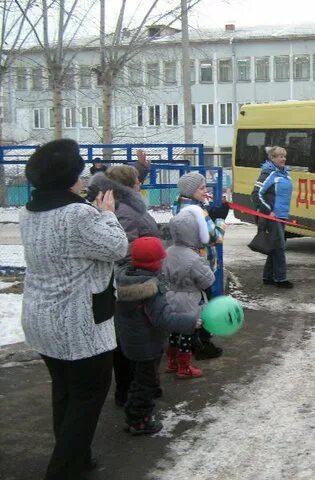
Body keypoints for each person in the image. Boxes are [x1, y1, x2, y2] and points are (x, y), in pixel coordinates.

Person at [20, 139, 128, 479]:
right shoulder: (78, 214)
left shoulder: (29, 211)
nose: (83, 182)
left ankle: (76, 457)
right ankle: (63, 469)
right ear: (69, 179)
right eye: (79, 176)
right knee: (87, 397)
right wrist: (108, 214)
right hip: (78, 323)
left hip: (42, 318)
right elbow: (118, 247)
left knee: (65, 392)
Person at [88, 164, 161, 406]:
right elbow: (124, 249)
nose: (141, 183)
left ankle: (135, 387)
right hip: (131, 282)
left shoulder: (126, 204)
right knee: (129, 339)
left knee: (129, 338)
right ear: (130, 184)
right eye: (138, 180)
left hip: (137, 276)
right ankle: (128, 391)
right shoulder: (124, 210)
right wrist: (142, 269)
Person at [115, 236, 202, 434]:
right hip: (146, 345)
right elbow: (162, 319)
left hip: (130, 342)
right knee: (145, 383)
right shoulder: (150, 289)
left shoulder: (126, 278)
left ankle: (133, 413)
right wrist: (190, 322)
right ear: (156, 263)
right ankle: (140, 420)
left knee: (138, 380)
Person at [173, 171, 227, 359]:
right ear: (191, 190)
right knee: (204, 305)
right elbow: (216, 238)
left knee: (195, 305)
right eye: (202, 188)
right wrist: (220, 218)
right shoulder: (197, 210)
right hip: (200, 266)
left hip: (186, 264)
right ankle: (202, 344)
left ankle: (193, 344)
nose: (205, 191)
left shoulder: (179, 204)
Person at [163, 206, 216, 378]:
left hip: (170, 297)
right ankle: (184, 367)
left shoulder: (167, 252)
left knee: (173, 331)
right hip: (189, 300)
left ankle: (171, 361)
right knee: (187, 332)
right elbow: (207, 281)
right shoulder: (193, 258)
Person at [251, 146, 294, 288]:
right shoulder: (268, 173)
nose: (283, 159)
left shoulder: (284, 174)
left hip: (282, 216)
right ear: (272, 158)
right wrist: (268, 211)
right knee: (280, 247)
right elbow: (256, 194)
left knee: (275, 246)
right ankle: (281, 279)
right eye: (280, 156)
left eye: (284, 156)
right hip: (271, 217)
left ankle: (268, 277)